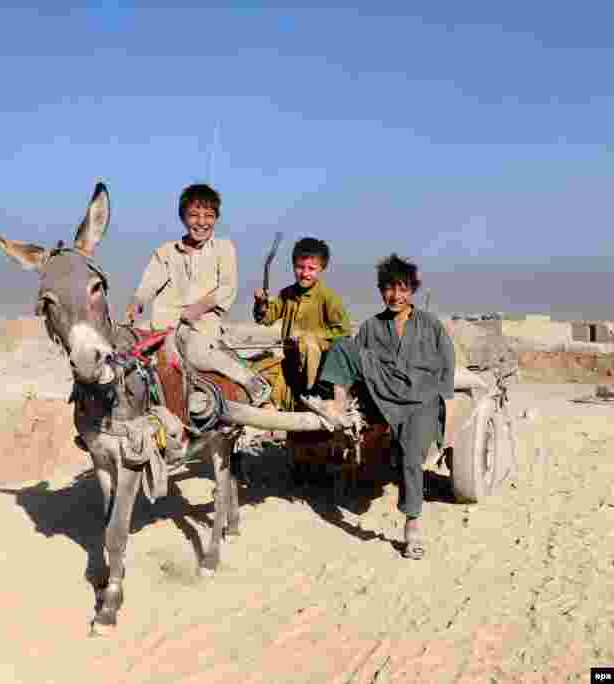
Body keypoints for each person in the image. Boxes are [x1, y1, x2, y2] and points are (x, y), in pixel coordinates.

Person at [301, 254, 455, 560]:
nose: (395, 295)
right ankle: (337, 403)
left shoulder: (429, 324)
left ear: (412, 290)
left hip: (418, 398)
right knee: (345, 345)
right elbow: (358, 363)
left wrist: (438, 400)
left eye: (401, 288)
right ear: (381, 290)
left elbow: (446, 364)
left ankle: (412, 525)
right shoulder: (372, 326)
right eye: (388, 288)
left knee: (412, 456)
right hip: (383, 392)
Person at [127, 183, 271, 406]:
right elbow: (149, 283)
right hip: (166, 325)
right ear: (183, 217)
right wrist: (137, 302)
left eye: (208, 216)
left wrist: (198, 308)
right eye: (194, 215)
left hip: (203, 322)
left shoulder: (224, 248)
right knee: (135, 359)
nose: (201, 222)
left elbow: (227, 287)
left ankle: (252, 381)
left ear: (216, 218)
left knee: (197, 354)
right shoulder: (166, 251)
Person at [252, 237, 351, 408]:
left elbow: (344, 331)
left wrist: (311, 338)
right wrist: (261, 303)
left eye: (311, 268)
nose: (305, 273)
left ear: (322, 269)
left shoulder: (328, 297)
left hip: (318, 369)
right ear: (293, 266)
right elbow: (266, 319)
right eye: (300, 267)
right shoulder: (286, 294)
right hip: (291, 364)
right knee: (255, 375)